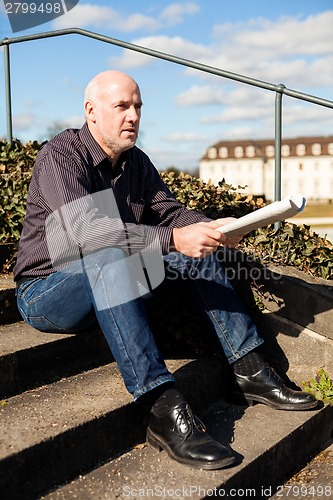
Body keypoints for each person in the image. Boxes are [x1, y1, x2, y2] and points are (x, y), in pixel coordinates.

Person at [14, 70, 317, 471]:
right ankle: (161, 406)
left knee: (193, 243)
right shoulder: (61, 156)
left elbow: (171, 214)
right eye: (121, 106)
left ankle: (249, 368)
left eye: (138, 106)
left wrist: (212, 229)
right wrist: (175, 240)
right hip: (48, 291)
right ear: (91, 111)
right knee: (111, 254)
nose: (133, 116)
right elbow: (88, 232)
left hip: (114, 283)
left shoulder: (137, 163)